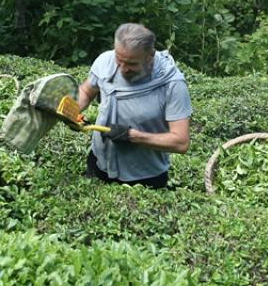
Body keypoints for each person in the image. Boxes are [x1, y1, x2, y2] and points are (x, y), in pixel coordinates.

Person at [74, 23, 192, 189]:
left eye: (131, 64)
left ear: (150, 56)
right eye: (119, 60)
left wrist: (132, 136)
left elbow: (180, 142)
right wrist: (73, 111)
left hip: (144, 177)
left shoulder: (172, 85)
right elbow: (86, 91)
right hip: (99, 163)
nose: (122, 68)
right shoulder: (105, 61)